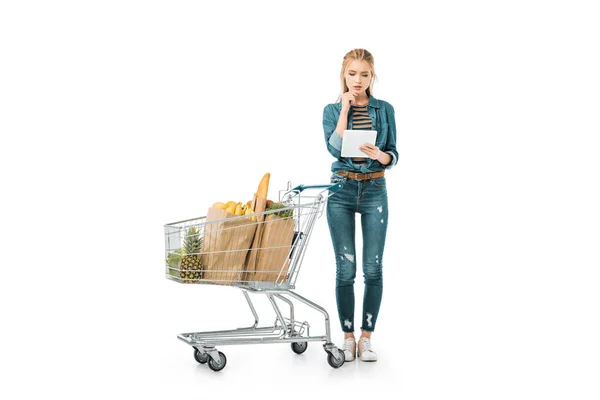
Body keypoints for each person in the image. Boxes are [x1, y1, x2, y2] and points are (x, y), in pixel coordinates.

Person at [322, 48, 398, 362]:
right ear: (344, 74)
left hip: (374, 190)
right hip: (341, 189)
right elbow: (335, 150)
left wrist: (380, 156)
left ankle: (366, 338)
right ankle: (348, 337)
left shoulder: (384, 109)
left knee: (372, 268)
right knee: (346, 269)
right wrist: (344, 110)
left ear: (372, 76)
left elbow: (393, 152)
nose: (358, 80)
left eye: (364, 74)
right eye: (352, 73)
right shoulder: (330, 109)